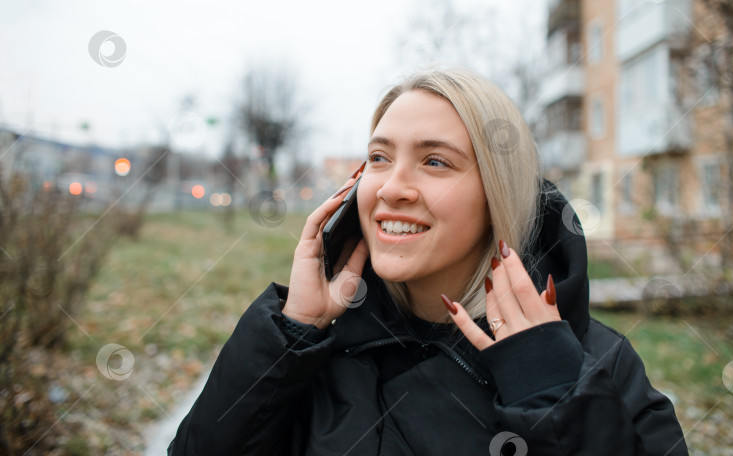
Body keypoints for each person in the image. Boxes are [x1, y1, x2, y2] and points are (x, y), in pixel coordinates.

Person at [169, 68, 688, 455]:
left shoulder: (595, 365)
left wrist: (552, 394)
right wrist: (292, 335)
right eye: (379, 157)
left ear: (498, 196)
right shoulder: (314, 348)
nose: (392, 187)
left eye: (435, 161)